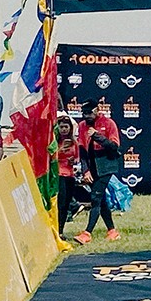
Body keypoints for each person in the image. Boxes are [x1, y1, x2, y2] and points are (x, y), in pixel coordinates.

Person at [74, 97, 122, 244]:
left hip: (106, 164)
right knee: (101, 200)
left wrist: (96, 136)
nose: (86, 116)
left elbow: (114, 147)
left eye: (89, 113)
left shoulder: (109, 123)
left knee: (95, 198)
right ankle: (112, 231)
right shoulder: (82, 126)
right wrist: (85, 170)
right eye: (84, 113)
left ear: (97, 110)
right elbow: (82, 150)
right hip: (92, 165)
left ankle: (87, 233)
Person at [53, 112, 84, 228]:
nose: (64, 129)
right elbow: (50, 157)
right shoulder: (54, 142)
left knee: (66, 204)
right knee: (60, 203)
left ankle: (61, 229)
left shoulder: (74, 143)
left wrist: (73, 161)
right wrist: (60, 150)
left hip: (70, 175)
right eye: (61, 127)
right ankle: (56, 229)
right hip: (59, 174)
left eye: (66, 127)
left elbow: (77, 158)